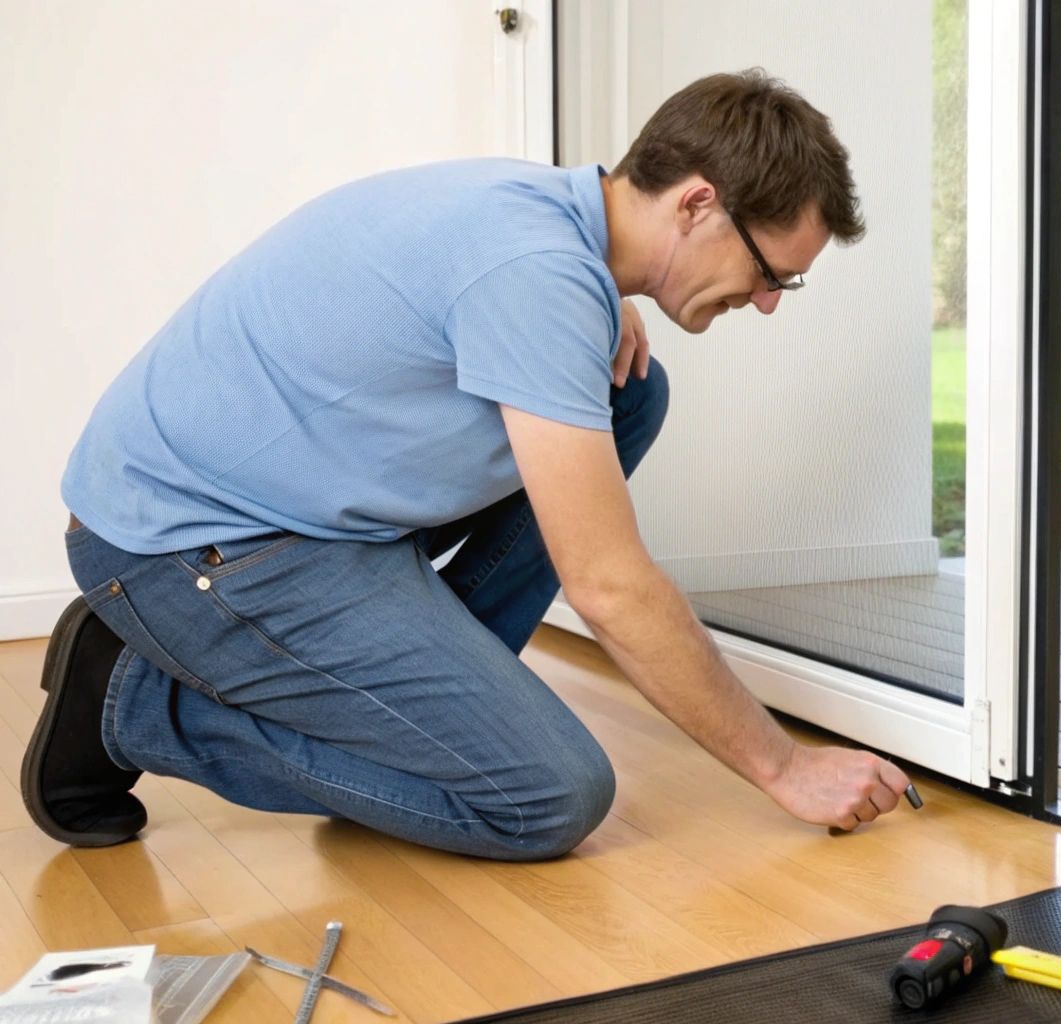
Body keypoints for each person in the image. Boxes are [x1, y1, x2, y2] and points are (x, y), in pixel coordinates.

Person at [24, 69, 911, 861]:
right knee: (546, 797)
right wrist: (783, 765)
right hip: (187, 544)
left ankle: (435, 717)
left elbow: (508, 293)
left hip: (290, 508)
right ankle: (130, 706)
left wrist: (604, 302)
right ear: (696, 205)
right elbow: (607, 585)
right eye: (770, 273)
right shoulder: (536, 273)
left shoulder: (544, 218)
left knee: (630, 394)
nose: (767, 303)